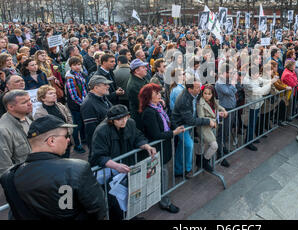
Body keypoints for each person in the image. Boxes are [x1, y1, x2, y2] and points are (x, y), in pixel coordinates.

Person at [0, 115, 107, 220]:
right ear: (51, 141)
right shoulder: (77, 169)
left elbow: (15, 213)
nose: (69, 140)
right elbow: (98, 209)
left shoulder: (9, 177)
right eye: (66, 136)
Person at [89, 105, 156, 220]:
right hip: (109, 172)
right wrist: (116, 166)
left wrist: (146, 146)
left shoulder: (130, 123)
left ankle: (131, 216)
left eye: (126, 117)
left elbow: (137, 137)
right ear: (111, 120)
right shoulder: (102, 131)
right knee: (114, 202)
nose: (123, 121)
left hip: (125, 166)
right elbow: (97, 156)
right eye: (119, 119)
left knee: (131, 195)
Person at [136, 84, 184, 214]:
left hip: (164, 146)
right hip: (157, 149)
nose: (159, 95)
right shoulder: (149, 112)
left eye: (159, 93)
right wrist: (174, 133)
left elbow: (166, 123)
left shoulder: (157, 107)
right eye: (156, 93)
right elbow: (156, 134)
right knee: (162, 173)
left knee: (161, 172)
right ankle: (165, 202)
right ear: (148, 97)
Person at [171, 76, 215, 179]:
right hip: (181, 125)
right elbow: (190, 121)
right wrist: (208, 121)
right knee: (189, 145)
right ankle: (187, 169)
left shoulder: (195, 93)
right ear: (190, 89)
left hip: (187, 124)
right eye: (197, 88)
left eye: (200, 87)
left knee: (182, 147)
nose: (200, 89)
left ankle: (178, 170)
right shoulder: (184, 99)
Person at [0, 90, 33, 177]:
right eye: (24, 102)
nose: (30, 103)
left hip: (37, 175)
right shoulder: (1, 131)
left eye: (29, 100)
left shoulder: (27, 118)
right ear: (11, 107)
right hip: (23, 182)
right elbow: (2, 169)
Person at [34, 85, 75, 157]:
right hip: (53, 144)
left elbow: (69, 118)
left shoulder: (60, 105)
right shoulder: (39, 113)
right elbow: (43, 132)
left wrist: (68, 133)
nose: (54, 95)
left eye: (54, 93)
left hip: (66, 139)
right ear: (43, 98)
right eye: (50, 93)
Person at [242, 65, 276, 151]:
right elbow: (261, 91)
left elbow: (263, 80)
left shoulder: (256, 78)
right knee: (251, 124)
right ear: (252, 75)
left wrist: (271, 80)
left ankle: (250, 139)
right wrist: (271, 82)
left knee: (254, 122)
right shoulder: (249, 82)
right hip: (252, 105)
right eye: (257, 74)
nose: (259, 75)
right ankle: (248, 142)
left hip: (257, 104)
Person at [197, 84, 227, 172]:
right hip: (204, 128)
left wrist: (223, 110)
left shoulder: (213, 101)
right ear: (202, 93)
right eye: (205, 93)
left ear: (212, 94)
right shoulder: (200, 103)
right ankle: (204, 161)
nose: (207, 96)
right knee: (214, 146)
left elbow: (218, 107)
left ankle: (199, 161)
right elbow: (201, 117)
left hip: (212, 126)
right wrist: (214, 118)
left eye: (209, 94)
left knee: (202, 144)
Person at [81, 75, 113, 150]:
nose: (108, 86)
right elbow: (91, 131)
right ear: (96, 87)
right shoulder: (88, 104)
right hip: (101, 144)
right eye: (105, 84)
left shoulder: (103, 97)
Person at [215, 64, 237, 168]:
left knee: (227, 131)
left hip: (231, 108)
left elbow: (235, 91)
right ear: (224, 73)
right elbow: (229, 92)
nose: (232, 74)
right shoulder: (219, 83)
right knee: (222, 132)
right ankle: (220, 155)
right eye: (230, 72)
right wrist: (233, 84)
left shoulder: (227, 81)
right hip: (225, 110)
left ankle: (223, 148)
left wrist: (232, 85)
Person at [65, 56, 88, 153]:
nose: (77, 67)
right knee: (76, 125)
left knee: (82, 123)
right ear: (70, 66)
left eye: (79, 64)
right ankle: (77, 145)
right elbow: (73, 96)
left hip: (82, 102)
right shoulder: (70, 77)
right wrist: (83, 104)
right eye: (75, 65)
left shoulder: (80, 74)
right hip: (75, 105)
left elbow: (83, 88)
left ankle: (83, 139)